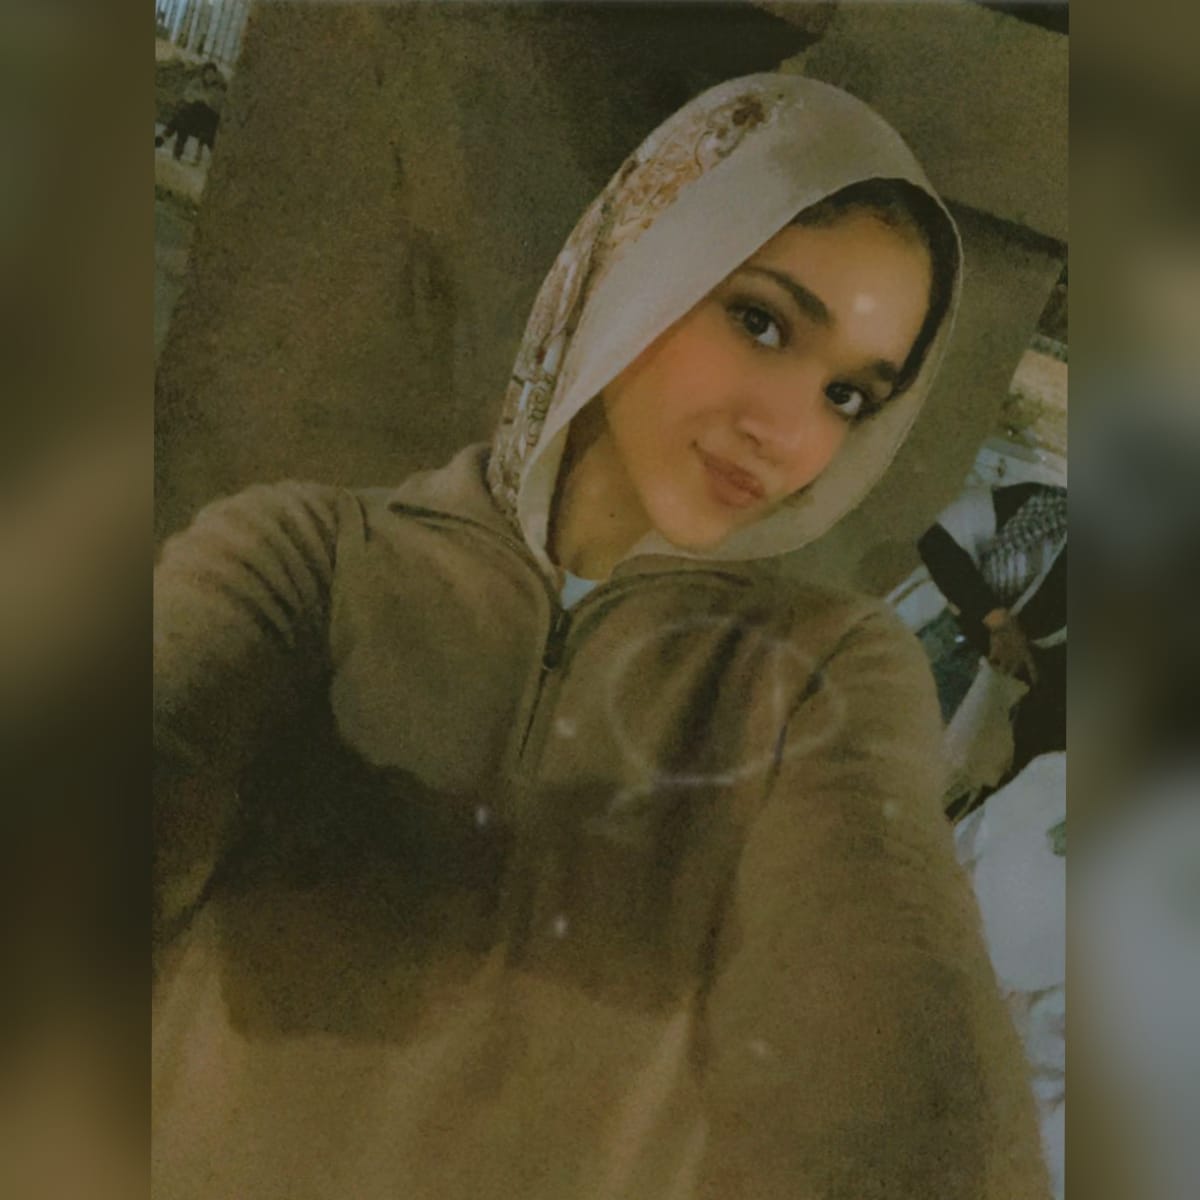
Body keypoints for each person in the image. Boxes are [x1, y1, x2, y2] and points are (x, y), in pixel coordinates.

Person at [154, 75, 1051, 1198]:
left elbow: (896, 1004)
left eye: (849, 397)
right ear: (636, 259)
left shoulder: (816, 676)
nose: (785, 432)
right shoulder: (305, 561)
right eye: (762, 321)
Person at [918, 480, 1067, 780]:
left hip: (1005, 693)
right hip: (948, 647)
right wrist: (999, 621)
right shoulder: (1045, 507)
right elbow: (935, 542)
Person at [155, 61, 227, 163]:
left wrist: (201, 99)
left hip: (205, 121)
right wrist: (201, 98)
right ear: (204, 74)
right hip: (192, 118)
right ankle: (175, 151)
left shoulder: (215, 89)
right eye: (208, 74)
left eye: (212, 74)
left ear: (215, 76)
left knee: (185, 113)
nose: (210, 77)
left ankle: (166, 134)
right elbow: (187, 95)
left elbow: (213, 104)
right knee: (184, 118)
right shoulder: (197, 82)